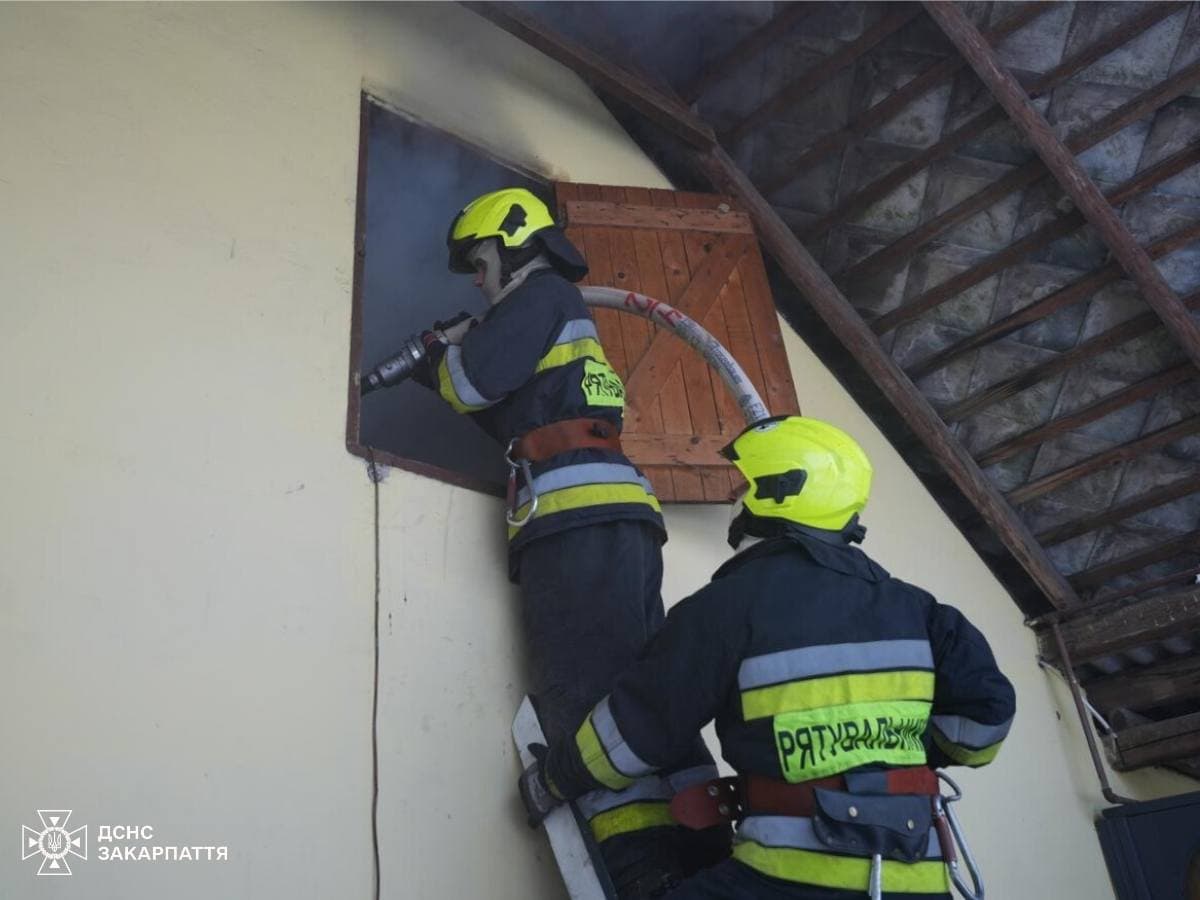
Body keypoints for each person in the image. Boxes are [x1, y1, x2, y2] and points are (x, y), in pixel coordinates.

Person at [524, 415, 1016, 899]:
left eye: (745, 484)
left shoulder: (728, 607)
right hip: (919, 881)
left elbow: (636, 732)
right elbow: (984, 729)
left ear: (778, 493)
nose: (735, 496)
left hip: (791, 877)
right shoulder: (922, 612)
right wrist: (883, 756)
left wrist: (554, 779)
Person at [414, 187, 730, 897]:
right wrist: (444, 369)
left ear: (509, 245)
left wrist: (436, 355)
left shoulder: (541, 296)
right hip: (614, 516)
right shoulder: (560, 319)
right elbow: (511, 420)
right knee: (644, 680)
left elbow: (471, 382)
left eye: (478, 263)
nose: (476, 281)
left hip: (576, 520)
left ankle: (640, 862)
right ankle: (705, 844)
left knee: (585, 692)